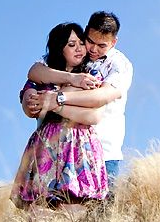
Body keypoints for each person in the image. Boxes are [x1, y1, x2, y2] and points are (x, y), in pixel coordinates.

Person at [22, 10, 133, 197]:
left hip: (102, 150)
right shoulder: (75, 53)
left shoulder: (119, 64)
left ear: (114, 42)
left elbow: (101, 96)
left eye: (102, 45)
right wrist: (72, 79)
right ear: (87, 31)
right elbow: (35, 71)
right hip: (55, 147)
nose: (93, 50)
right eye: (89, 41)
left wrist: (56, 99)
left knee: (98, 212)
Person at [10, 21, 110, 213]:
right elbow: (30, 105)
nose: (79, 49)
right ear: (59, 49)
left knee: (74, 205)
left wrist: (53, 103)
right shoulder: (44, 75)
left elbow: (93, 114)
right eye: (71, 45)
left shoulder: (91, 73)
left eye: (81, 43)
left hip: (79, 142)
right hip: (47, 143)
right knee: (39, 207)